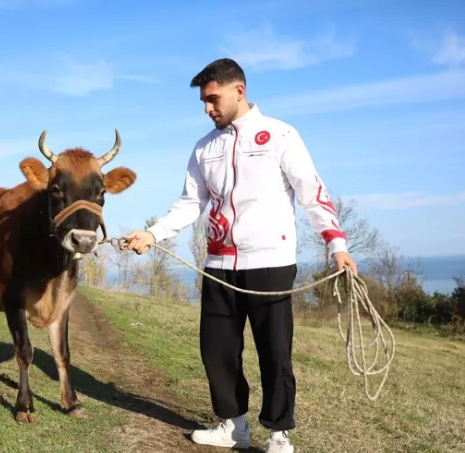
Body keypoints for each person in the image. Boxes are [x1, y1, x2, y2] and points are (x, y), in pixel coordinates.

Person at [122, 58, 357, 453]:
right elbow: (189, 203)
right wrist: (153, 233)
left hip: (271, 262)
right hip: (219, 267)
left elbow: (312, 193)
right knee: (217, 350)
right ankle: (233, 426)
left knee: (275, 352)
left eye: (213, 99)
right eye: (203, 101)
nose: (207, 108)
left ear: (239, 91)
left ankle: (278, 434)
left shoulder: (280, 135)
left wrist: (338, 245)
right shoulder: (203, 148)